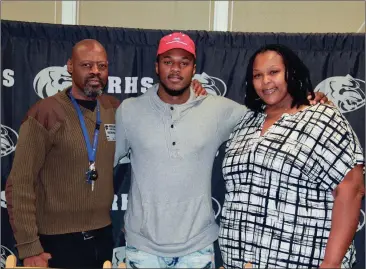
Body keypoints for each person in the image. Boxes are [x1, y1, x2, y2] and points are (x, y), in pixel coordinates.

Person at [114, 33, 328, 268]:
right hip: (142, 248)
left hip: (198, 248)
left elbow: (270, 113)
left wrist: (309, 100)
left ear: (193, 68)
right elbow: (106, 166)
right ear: (157, 66)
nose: (176, 69)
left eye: (184, 63)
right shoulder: (129, 111)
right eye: (168, 62)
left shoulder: (219, 109)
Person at [5, 38, 206, 269]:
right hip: (55, 242)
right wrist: (30, 247)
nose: (95, 72)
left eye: (102, 66)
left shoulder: (114, 109)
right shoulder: (45, 113)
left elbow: (158, 110)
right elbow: (19, 183)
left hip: (102, 236)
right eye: (86, 65)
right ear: (70, 66)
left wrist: (191, 89)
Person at [218, 44, 365, 269]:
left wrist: (332, 263)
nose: (265, 81)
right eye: (257, 75)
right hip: (239, 260)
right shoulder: (246, 122)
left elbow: (351, 188)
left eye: (274, 72)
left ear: (291, 73)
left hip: (304, 260)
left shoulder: (322, 118)